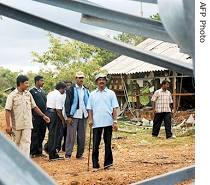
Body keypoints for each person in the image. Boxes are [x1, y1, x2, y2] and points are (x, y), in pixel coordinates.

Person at [5, 75, 50, 157]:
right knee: (16, 144)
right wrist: (8, 125)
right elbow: (7, 110)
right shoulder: (12, 95)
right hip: (17, 125)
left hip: (27, 124)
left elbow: (34, 107)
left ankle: (24, 162)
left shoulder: (28, 94)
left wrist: (43, 116)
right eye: (26, 83)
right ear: (20, 84)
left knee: (26, 143)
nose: (28, 85)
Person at [87, 72, 119, 169]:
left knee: (108, 144)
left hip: (108, 122)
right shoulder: (92, 94)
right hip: (96, 123)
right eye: (99, 80)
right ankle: (95, 164)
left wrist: (115, 121)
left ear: (106, 82)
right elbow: (90, 108)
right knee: (95, 144)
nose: (101, 81)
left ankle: (108, 164)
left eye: (103, 80)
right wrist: (90, 119)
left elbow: (114, 108)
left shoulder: (111, 93)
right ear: (97, 82)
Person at [64, 71, 89, 159]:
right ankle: (68, 154)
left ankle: (79, 154)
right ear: (76, 79)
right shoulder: (70, 89)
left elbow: (88, 102)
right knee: (71, 136)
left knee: (82, 136)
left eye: (82, 77)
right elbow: (67, 103)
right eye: (79, 77)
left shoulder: (86, 89)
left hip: (83, 115)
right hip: (73, 115)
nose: (81, 79)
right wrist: (68, 116)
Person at [45, 82, 67, 160]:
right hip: (54, 115)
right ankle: (52, 155)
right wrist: (63, 120)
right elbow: (58, 110)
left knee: (51, 134)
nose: (65, 91)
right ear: (61, 88)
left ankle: (51, 151)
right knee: (54, 135)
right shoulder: (58, 95)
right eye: (64, 89)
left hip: (48, 113)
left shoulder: (50, 93)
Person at [30, 75, 47, 157]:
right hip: (35, 117)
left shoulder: (43, 91)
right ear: (37, 81)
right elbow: (30, 104)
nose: (43, 82)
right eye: (41, 81)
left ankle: (39, 151)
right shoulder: (32, 91)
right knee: (35, 134)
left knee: (42, 133)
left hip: (43, 116)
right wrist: (31, 115)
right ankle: (33, 152)